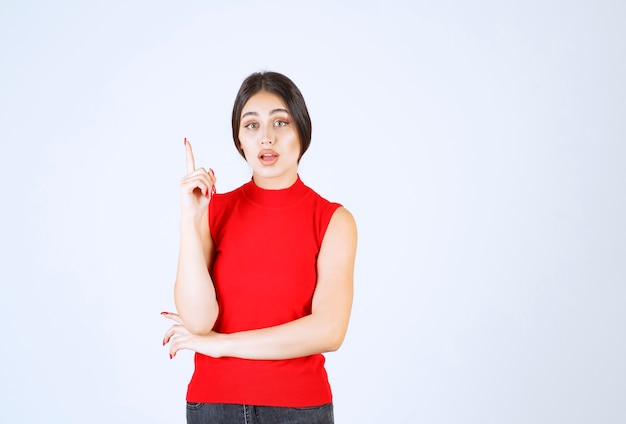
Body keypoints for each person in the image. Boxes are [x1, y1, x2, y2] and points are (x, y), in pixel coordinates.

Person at [162, 71, 358, 424]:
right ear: (240, 141)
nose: (266, 137)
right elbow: (198, 319)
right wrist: (189, 220)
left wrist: (222, 345)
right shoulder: (214, 211)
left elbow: (329, 330)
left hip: (298, 409)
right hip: (212, 406)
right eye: (251, 126)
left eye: (280, 122)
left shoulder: (333, 221)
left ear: (301, 131)